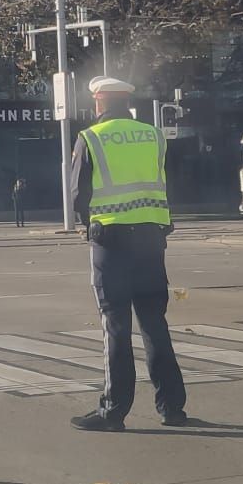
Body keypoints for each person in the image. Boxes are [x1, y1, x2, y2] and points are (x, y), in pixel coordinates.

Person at [68, 75, 188, 432]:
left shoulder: (91, 137)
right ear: (127, 102)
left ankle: (113, 410)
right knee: (155, 324)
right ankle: (172, 408)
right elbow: (167, 180)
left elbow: (78, 193)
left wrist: (85, 223)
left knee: (115, 325)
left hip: (112, 241)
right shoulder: (153, 136)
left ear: (99, 102)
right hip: (151, 240)